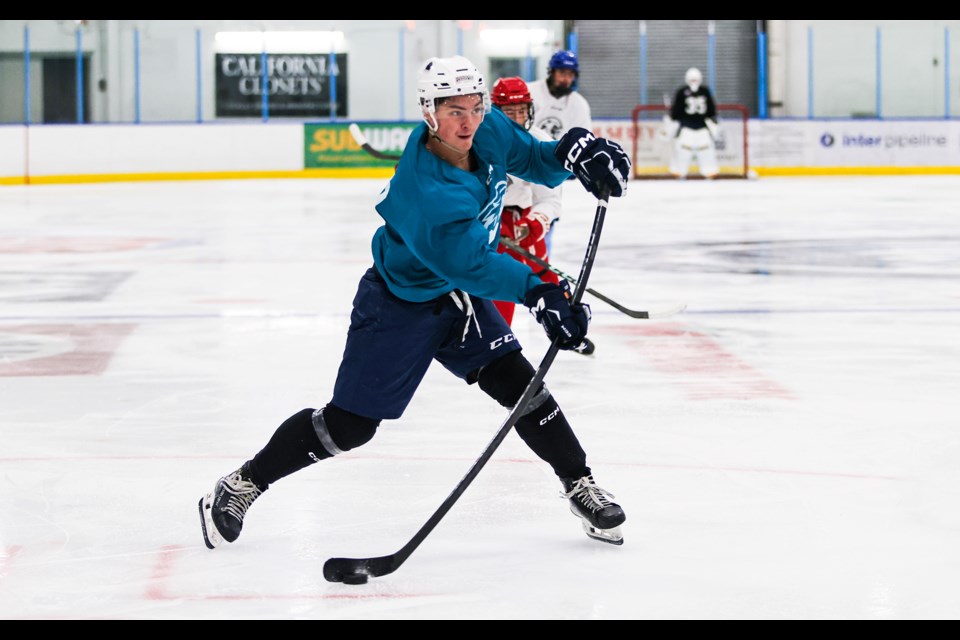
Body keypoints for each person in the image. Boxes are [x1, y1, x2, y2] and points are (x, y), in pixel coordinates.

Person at [198, 55, 632, 551]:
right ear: (430, 113)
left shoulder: (486, 128)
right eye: (453, 111)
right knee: (350, 427)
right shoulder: (427, 192)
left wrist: (573, 155)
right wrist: (540, 291)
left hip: (455, 298)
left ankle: (580, 483)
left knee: (521, 383)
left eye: (474, 106)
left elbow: (534, 161)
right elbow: (472, 264)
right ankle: (243, 483)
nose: (468, 121)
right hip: (398, 304)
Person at [489, 75, 595, 357]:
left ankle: (571, 329)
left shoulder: (538, 141)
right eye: (507, 112)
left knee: (543, 277)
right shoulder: (479, 141)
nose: (515, 118)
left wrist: (534, 223)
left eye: (520, 111)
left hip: (521, 222)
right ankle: (498, 346)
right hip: (489, 224)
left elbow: (550, 200)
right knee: (500, 282)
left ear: (530, 110)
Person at [664, 67, 720, 179]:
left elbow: (676, 112)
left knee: (704, 150)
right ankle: (680, 171)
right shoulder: (705, 91)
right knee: (684, 149)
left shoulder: (684, 91)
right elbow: (712, 111)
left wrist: (672, 117)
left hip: (696, 127)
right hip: (690, 128)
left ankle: (707, 171)